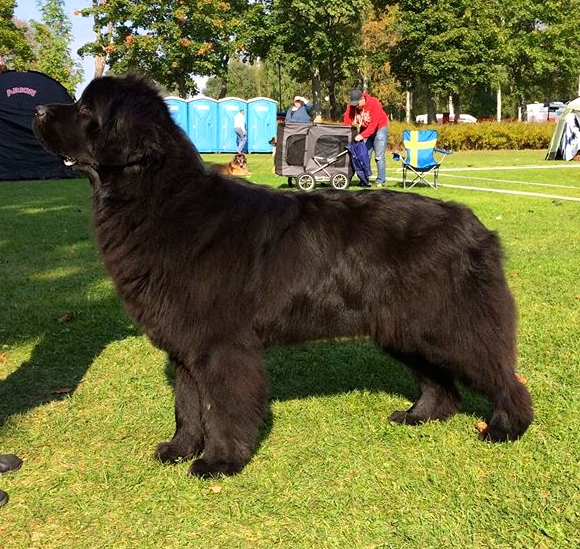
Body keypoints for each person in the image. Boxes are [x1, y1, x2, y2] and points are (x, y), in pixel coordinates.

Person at [343, 89, 389, 187]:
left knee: (379, 157)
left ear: (362, 98)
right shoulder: (352, 106)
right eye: (354, 104)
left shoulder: (374, 103)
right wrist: (346, 133)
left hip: (380, 128)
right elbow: (347, 121)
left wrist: (362, 136)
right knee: (364, 155)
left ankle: (380, 181)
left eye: (357, 103)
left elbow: (374, 125)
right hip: (365, 128)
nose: (356, 106)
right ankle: (364, 180)